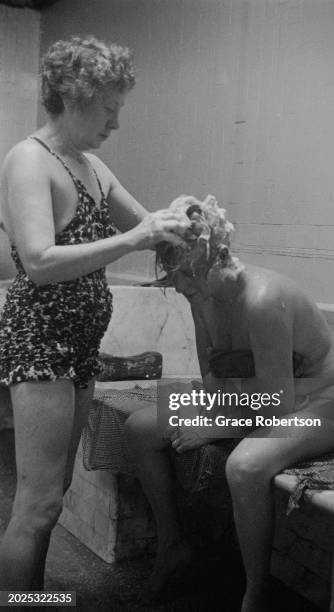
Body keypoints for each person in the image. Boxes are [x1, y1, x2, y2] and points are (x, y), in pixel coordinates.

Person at [0, 35, 192, 590]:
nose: (115, 122)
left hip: (80, 347)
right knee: (34, 508)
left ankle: (28, 598)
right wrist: (137, 238)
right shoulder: (29, 160)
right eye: (108, 108)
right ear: (75, 96)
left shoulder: (91, 165)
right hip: (40, 342)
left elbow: (148, 226)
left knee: (52, 501)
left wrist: (184, 220)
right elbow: (36, 261)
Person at [124, 195, 334, 611]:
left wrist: (215, 426)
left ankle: (255, 595)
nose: (180, 289)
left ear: (213, 262)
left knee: (244, 465)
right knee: (140, 428)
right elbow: (213, 379)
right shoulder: (200, 296)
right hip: (257, 394)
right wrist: (209, 409)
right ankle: (173, 547)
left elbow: (278, 404)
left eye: (187, 280)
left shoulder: (262, 300)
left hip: (321, 400)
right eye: (177, 281)